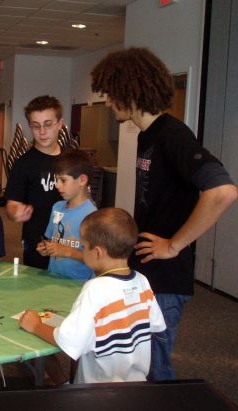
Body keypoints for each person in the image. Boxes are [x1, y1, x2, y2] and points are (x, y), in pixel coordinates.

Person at [90, 47, 237, 381]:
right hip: (147, 272)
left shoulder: (173, 136)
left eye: (112, 94)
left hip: (167, 279)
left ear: (128, 91)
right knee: (140, 363)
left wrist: (174, 245)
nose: (109, 102)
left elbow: (223, 191)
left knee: (155, 369)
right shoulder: (148, 135)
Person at [20, 208, 167, 384]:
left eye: (83, 246)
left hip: (97, 395)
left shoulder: (95, 288)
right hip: (136, 386)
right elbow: (156, 325)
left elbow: (67, 342)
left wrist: (35, 325)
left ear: (97, 252)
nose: (82, 250)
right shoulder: (142, 281)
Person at [4, 95, 64, 269]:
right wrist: (16, 212)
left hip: (71, 241)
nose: (42, 132)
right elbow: (12, 205)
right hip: (38, 241)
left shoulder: (73, 160)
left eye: (48, 124)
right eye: (35, 126)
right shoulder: (23, 164)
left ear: (60, 123)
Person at [37, 149, 96, 280]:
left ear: (82, 180)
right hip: (53, 278)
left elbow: (95, 259)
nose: (57, 185)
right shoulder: (57, 207)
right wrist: (46, 247)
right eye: (56, 179)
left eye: (63, 180)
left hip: (78, 285)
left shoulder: (92, 216)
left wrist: (66, 251)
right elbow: (52, 240)